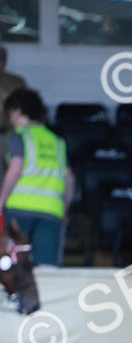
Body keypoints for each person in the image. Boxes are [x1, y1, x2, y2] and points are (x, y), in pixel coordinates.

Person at [0, 88, 73, 266]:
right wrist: (63, 209)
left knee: (11, 266)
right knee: (46, 269)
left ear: (16, 111)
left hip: (19, 210)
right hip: (50, 212)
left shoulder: (18, 136)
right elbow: (69, 178)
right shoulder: (57, 142)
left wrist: (0, 202)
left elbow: (16, 167)